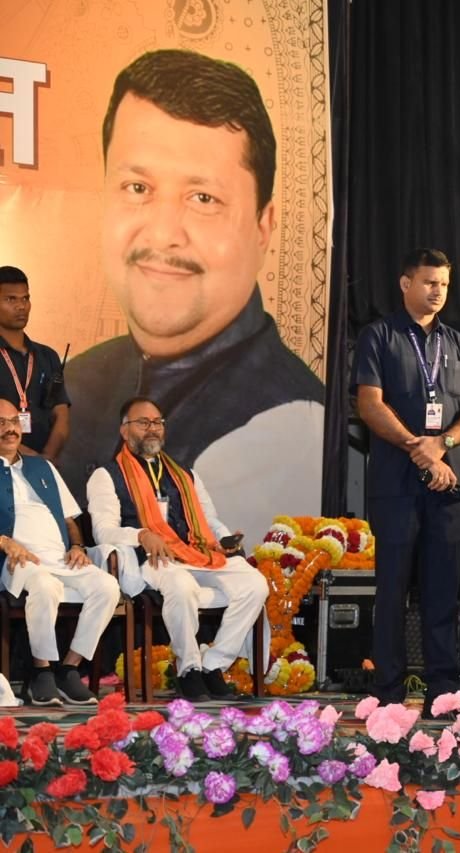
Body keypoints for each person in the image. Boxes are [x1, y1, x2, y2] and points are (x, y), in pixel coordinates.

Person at [61, 49, 324, 538]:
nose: (163, 234)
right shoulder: (76, 382)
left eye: (203, 198)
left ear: (263, 226)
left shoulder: (290, 431)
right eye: (137, 188)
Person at [353, 248, 460, 706]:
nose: (437, 291)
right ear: (406, 283)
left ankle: (443, 691)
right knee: (392, 591)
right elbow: (369, 404)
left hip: (447, 487)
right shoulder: (379, 336)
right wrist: (420, 449)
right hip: (396, 485)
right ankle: (388, 693)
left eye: (444, 284)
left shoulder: (457, 343)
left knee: (442, 592)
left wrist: (443, 444)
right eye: (430, 282)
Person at [87, 396, 268, 702]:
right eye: (143, 423)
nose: (152, 429)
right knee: (181, 586)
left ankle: (213, 664)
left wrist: (226, 539)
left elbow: (209, 519)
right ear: (124, 430)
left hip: (198, 552)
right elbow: (103, 530)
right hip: (153, 559)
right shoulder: (107, 475)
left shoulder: (185, 475)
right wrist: (141, 534)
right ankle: (189, 670)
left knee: (255, 584)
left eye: (157, 422)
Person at [0, 398, 118, 706]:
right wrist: (5, 542)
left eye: (14, 421)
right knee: (45, 585)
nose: (10, 429)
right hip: (16, 559)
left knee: (107, 586)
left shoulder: (43, 467)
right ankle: (41, 672)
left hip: (60, 558)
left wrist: (77, 546)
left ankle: (68, 669)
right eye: (1, 423)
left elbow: (69, 520)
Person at [0, 267, 70, 461]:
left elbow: (61, 415)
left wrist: (46, 459)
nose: (21, 306)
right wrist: (28, 458)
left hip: (43, 464)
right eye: (11, 299)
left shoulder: (47, 356)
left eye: (25, 298)